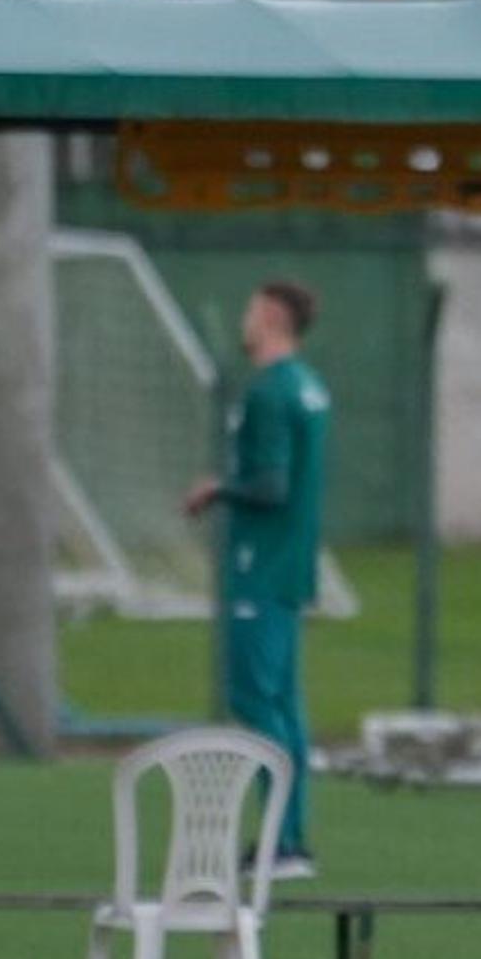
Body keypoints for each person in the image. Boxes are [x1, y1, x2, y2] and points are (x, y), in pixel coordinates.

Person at [181, 284, 331, 877]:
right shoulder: (308, 386)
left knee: (254, 700)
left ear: (271, 317)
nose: (244, 320)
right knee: (285, 706)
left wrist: (217, 487)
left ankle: (281, 844)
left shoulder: (271, 392)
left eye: (249, 309)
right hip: (290, 564)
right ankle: (289, 838)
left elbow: (272, 487)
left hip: (261, 567)